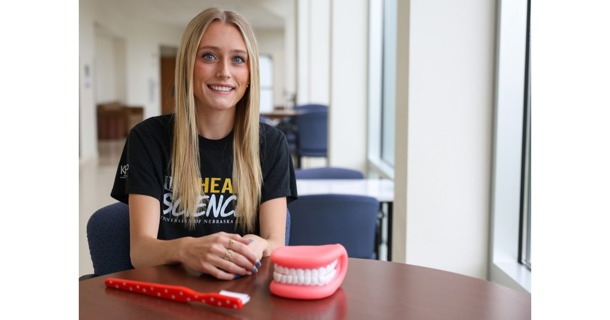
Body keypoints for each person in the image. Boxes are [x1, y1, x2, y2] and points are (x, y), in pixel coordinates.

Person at [111, 7, 297, 280]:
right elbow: (141, 252)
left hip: (243, 296)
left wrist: (261, 245)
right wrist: (188, 249)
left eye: (237, 59)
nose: (224, 72)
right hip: (168, 295)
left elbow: (276, 243)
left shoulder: (271, 144)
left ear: (250, 73)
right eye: (209, 56)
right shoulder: (147, 139)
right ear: (188, 64)